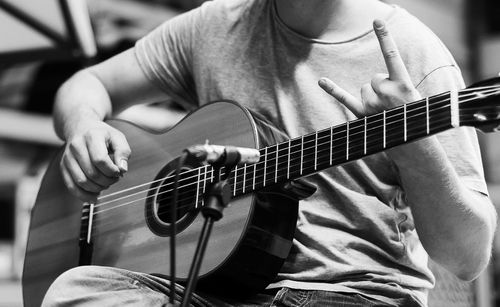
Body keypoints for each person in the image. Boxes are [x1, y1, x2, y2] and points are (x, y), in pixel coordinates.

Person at [42, 0, 497, 306]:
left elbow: (467, 256)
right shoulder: (214, 26)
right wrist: (83, 124)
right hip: (210, 285)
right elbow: (88, 85)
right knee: (79, 289)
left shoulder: (413, 53)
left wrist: (414, 144)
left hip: (351, 290)